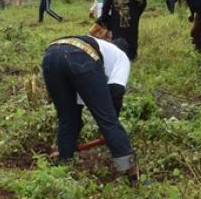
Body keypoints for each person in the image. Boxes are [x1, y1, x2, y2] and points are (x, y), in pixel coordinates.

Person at [41, 34, 139, 183]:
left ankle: (64, 164)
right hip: (80, 56)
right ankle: (132, 175)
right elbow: (116, 91)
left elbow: (78, 104)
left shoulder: (103, 48)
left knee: (67, 117)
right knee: (108, 119)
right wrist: (112, 128)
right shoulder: (122, 57)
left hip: (50, 55)